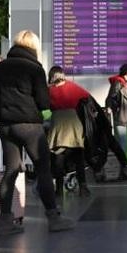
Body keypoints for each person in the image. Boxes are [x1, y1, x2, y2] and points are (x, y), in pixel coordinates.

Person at [0, 30, 75, 235]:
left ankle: (5, 222)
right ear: (34, 47)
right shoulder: (35, 69)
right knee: (43, 170)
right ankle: (53, 218)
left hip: (7, 127)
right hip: (30, 127)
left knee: (10, 171)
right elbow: (43, 102)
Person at [46, 65, 91, 197]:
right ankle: (83, 187)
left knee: (58, 158)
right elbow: (86, 97)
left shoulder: (49, 91)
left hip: (58, 124)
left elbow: (43, 104)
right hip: (74, 123)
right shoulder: (73, 86)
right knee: (79, 158)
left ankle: (59, 189)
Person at [105, 63, 127, 152]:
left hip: (122, 116)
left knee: (122, 140)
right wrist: (110, 107)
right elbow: (111, 97)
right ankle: (122, 162)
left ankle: (121, 162)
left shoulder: (121, 83)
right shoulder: (118, 83)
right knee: (123, 141)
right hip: (120, 116)